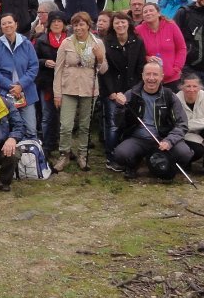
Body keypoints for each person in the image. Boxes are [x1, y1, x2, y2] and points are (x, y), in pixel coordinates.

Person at [112, 61, 192, 181]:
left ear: (161, 77)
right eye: (148, 74)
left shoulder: (169, 96)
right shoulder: (131, 94)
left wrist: (169, 141)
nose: (151, 78)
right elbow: (117, 123)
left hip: (163, 139)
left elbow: (182, 124)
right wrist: (119, 107)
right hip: (138, 139)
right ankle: (134, 164)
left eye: (155, 74)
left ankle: (164, 165)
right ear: (142, 76)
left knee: (185, 153)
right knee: (120, 154)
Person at [52, 11, 107, 172]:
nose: (78, 28)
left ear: (88, 26)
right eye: (75, 25)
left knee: (85, 125)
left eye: (81, 24)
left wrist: (100, 57)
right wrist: (57, 93)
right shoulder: (66, 43)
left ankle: (82, 154)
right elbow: (58, 69)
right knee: (66, 125)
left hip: (89, 89)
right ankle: (64, 154)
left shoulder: (97, 43)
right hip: (68, 88)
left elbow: (103, 70)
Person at [100, 11, 146, 171]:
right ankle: (111, 157)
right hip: (112, 90)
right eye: (116, 23)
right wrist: (112, 92)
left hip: (132, 90)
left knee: (131, 124)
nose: (120, 25)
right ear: (112, 26)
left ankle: (129, 156)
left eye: (123, 22)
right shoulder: (105, 42)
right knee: (113, 125)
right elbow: (104, 71)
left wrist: (133, 92)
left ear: (129, 24)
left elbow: (141, 68)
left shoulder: (138, 42)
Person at [0, 13, 40, 137]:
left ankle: (30, 154)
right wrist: (11, 86)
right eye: (4, 24)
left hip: (26, 93)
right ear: (1, 27)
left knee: (31, 129)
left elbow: (34, 67)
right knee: (7, 129)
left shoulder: (27, 44)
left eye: (10, 22)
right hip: (5, 94)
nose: (7, 26)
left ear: (16, 24)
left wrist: (21, 85)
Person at [34, 10, 68, 157]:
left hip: (67, 83)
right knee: (47, 115)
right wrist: (44, 62)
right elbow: (33, 60)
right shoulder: (41, 40)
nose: (56, 24)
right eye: (54, 21)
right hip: (47, 83)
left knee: (65, 117)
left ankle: (64, 146)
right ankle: (47, 145)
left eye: (59, 21)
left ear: (64, 24)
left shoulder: (70, 40)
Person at [177, 73, 204, 177]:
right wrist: (193, 126)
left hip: (199, 130)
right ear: (182, 87)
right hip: (184, 135)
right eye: (188, 86)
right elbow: (176, 124)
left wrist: (188, 124)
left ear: (200, 87)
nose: (191, 89)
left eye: (195, 86)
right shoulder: (176, 99)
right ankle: (185, 162)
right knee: (197, 151)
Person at [137, 2, 187, 90]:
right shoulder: (138, 30)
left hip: (172, 78)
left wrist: (176, 68)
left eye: (151, 10)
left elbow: (181, 48)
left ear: (158, 13)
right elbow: (136, 52)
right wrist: (147, 58)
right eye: (145, 12)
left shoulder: (171, 26)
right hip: (150, 79)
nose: (148, 13)